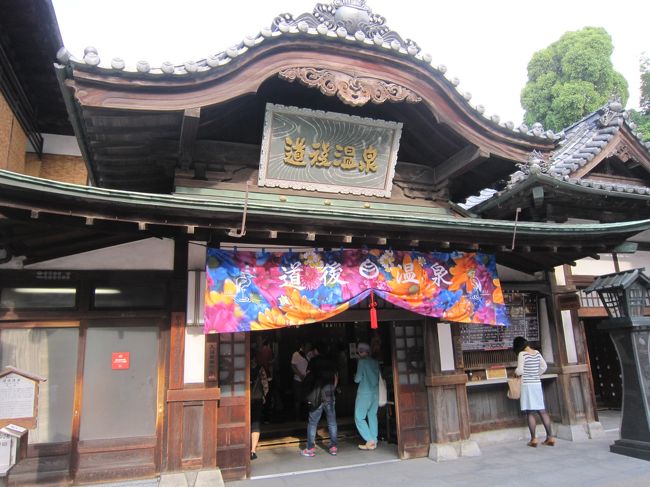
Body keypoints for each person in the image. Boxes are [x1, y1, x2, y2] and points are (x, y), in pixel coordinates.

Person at [513, 336, 555, 447]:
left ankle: (533, 439)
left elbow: (520, 370)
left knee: (530, 412)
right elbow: (544, 366)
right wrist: (537, 374)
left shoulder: (522, 354)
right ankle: (550, 437)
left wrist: (516, 372)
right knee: (542, 410)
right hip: (536, 384)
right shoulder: (536, 353)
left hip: (527, 385)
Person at [300, 343, 338, 457]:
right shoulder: (331, 361)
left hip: (316, 395)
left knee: (312, 423)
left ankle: (310, 449)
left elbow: (308, 377)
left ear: (316, 350)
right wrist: (332, 389)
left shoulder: (313, 361)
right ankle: (334, 447)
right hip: (329, 395)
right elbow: (336, 378)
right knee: (332, 422)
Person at [354, 342, 380, 450]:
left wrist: (354, 377)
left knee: (359, 417)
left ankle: (370, 440)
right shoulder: (375, 362)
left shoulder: (362, 362)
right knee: (372, 415)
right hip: (375, 392)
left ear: (360, 351)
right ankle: (374, 439)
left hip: (365, 393)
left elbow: (357, 379)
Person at [250, 358, 269, 460]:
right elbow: (265, 384)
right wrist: (264, 396)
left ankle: (245, 447)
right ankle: (252, 450)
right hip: (257, 397)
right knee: (255, 423)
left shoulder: (243, 366)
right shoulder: (260, 369)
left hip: (244, 398)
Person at [291, 341, 311, 420]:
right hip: (298, 380)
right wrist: (300, 375)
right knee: (297, 399)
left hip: (307, 380)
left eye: (310, 346)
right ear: (303, 346)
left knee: (308, 398)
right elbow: (293, 366)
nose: (309, 348)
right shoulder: (296, 354)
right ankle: (297, 417)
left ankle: (308, 416)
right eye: (308, 346)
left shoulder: (310, 355)